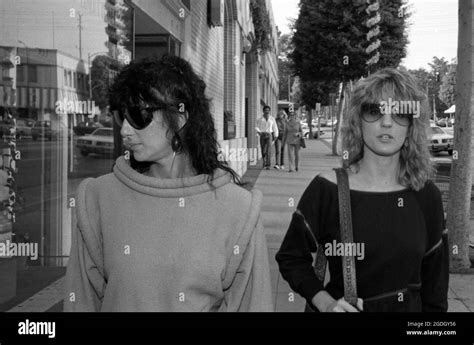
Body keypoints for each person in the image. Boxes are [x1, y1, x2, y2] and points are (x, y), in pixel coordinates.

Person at [64, 55, 273, 312]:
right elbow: (81, 302)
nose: (124, 131)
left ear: (181, 116)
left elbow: (254, 305)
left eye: (139, 115)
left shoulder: (240, 210)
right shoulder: (97, 198)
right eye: (121, 116)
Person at [276, 68, 448, 312]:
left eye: (400, 113)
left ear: (411, 126)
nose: (386, 122)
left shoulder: (426, 195)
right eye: (375, 111)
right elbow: (291, 257)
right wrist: (325, 303)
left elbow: (436, 289)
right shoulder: (327, 190)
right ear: (358, 121)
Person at [256, 105, 278, 170]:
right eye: (265, 110)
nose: (267, 111)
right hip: (262, 135)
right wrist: (259, 132)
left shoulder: (272, 119)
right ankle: (264, 161)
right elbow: (256, 126)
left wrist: (276, 135)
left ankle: (268, 165)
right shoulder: (260, 119)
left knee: (268, 150)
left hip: (269, 135)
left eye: (268, 110)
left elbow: (275, 127)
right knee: (263, 150)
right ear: (263, 111)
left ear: (269, 111)